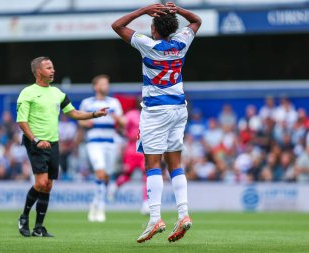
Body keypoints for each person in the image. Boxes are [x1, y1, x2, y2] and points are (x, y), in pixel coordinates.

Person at [112, 2, 201, 243]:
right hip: (179, 108)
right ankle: (183, 214)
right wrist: (178, 10)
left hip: (155, 111)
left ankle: (155, 218)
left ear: (154, 28)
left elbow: (117, 25)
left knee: (152, 164)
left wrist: (143, 10)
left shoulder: (148, 44)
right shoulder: (181, 42)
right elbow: (196, 21)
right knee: (175, 164)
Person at [16, 56, 108, 237]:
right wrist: (35, 140)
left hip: (53, 143)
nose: (53, 70)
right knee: (40, 183)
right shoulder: (27, 93)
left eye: (53, 67)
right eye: (49, 68)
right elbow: (21, 122)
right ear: (38, 71)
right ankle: (24, 217)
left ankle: (38, 228)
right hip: (35, 142)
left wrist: (94, 114)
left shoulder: (57, 93)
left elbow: (73, 112)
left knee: (48, 186)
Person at [78, 74, 125, 222]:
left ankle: (94, 203)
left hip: (110, 142)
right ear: (95, 86)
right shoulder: (87, 103)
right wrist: (87, 122)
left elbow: (123, 122)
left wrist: (117, 119)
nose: (106, 86)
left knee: (106, 176)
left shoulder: (114, 103)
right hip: (94, 142)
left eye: (107, 83)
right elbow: (80, 120)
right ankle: (101, 207)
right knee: (100, 172)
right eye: (103, 83)